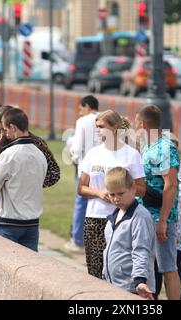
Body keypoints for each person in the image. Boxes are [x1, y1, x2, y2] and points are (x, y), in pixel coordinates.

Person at [78, 110, 146, 279]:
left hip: (122, 219)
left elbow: (142, 189)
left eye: (101, 127)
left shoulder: (131, 154)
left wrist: (122, 194)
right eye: (96, 127)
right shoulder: (93, 153)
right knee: (95, 272)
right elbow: (81, 188)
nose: (97, 130)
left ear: (114, 127)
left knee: (118, 272)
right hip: (94, 219)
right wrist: (99, 192)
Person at [0, 108, 47, 251]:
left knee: (4, 266)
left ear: (13, 127)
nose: (5, 134)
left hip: (8, 222)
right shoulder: (40, 155)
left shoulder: (9, 155)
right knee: (29, 268)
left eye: (5, 129)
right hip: (32, 223)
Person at [134, 105, 181, 300]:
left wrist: (163, 220)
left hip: (160, 217)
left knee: (168, 268)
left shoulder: (164, 148)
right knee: (147, 266)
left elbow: (170, 186)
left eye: (136, 123)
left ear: (143, 124)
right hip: (146, 214)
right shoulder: (148, 145)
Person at [102, 167, 156, 300]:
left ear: (133, 188)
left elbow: (141, 250)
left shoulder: (140, 217)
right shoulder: (115, 215)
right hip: (114, 284)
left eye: (121, 193)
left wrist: (140, 281)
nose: (116, 199)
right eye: (112, 194)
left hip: (133, 288)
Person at [154, 134, 181, 300]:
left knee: (176, 268)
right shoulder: (156, 165)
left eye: (174, 146)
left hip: (178, 229)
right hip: (160, 225)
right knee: (155, 269)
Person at [65, 95, 101, 253]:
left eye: (80, 109)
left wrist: (72, 153)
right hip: (102, 169)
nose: (80, 113)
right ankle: (96, 240)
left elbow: (78, 146)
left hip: (85, 167)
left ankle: (78, 239)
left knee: (81, 203)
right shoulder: (105, 119)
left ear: (87, 106)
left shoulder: (83, 121)